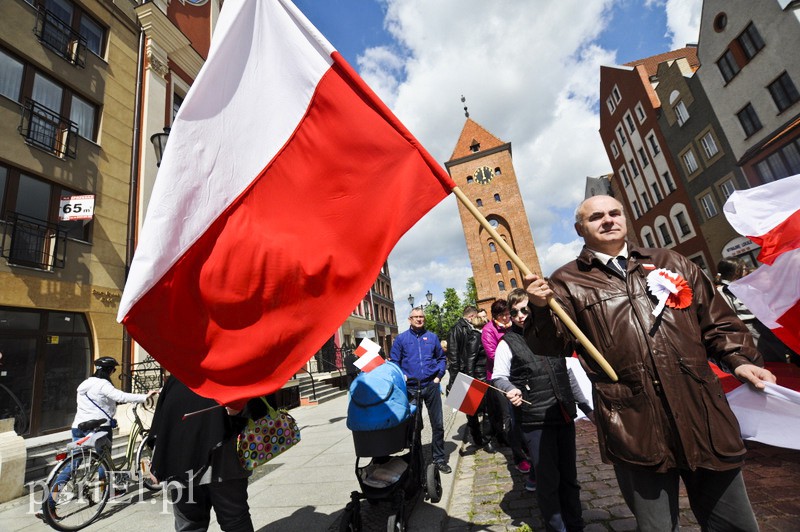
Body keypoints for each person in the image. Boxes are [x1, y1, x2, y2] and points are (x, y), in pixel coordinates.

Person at [524, 194, 776, 531]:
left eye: (615, 213)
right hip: (634, 423)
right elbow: (549, 345)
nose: (608, 220)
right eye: (596, 216)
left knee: (734, 523)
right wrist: (540, 309)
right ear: (579, 229)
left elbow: (716, 322)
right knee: (657, 527)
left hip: (701, 410)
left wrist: (739, 359)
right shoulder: (567, 282)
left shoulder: (669, 261)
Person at [493, 289, 584, 532]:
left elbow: (569, 374)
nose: (520, 315)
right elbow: (499, 377)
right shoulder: (507, 342)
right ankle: (557, 528)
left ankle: (576, 525)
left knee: (569, 479)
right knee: (548, 481)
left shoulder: (552, 335)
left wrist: (586, 407)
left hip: (562, 414)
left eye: (524, 309)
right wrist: (510, 389)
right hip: (535, 420)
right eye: (514, 313)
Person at [37, 357, 156, 519]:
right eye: (113, 370)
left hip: (78, 427)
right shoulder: (103, 384)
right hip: (100, 427)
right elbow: (120, 396)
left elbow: (100, 401)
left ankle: (49, 504)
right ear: (109, 370)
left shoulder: (84, 384)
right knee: (103, 460)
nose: (113, 373)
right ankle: (107, 490)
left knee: (71, 465)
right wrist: (145, 396)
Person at [149, 376, 268, 532]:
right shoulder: (177, 376)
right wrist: (157, 460)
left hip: (221, 460)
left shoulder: (228, 367)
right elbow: (163, 421)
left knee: (233, 519)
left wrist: (241, 408)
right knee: (190, 523)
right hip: (181, 462)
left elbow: (259, 406)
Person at [390, 307, 450, 473]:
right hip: (412, 388)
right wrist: (402, 375)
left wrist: (439, 375)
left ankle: (439, 459)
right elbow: (394, 361)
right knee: (415, 427)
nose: (419, 319)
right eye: (415, 317)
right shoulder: (401, 339)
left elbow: (441, 358)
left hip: (431, 385)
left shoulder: (432, 337)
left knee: (437, 424)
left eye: (421, 317)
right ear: (409, 319)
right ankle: (417, 462)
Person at [717, 259, 800, 366]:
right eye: (742, 268)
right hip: (751, 329)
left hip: (764, 326)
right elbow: (729, 315)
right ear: (734, 271)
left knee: (779, 359)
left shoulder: (744, 285)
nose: (745, 270)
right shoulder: (724, 290)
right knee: (770, 363)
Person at [482, 299, 530, 473]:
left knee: (524, 415)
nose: (506, 318)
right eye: (502, 315)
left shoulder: (514, 325)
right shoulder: (488, 330)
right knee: (509, 419)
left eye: (507, 314)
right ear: (495, 316)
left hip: (520, 376)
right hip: (501, 379)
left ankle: (528, 448)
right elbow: (493, 355)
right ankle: (519, 457)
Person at [448, 305, 494, 451]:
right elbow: (453, 356)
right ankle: (478, 438)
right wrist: (454, 380)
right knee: (471, 410)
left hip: (471, 371)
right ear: (472, 317)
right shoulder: (457, 329)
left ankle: (483, 439)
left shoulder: (469, 328)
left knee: (479, 408)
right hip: (465, 372)